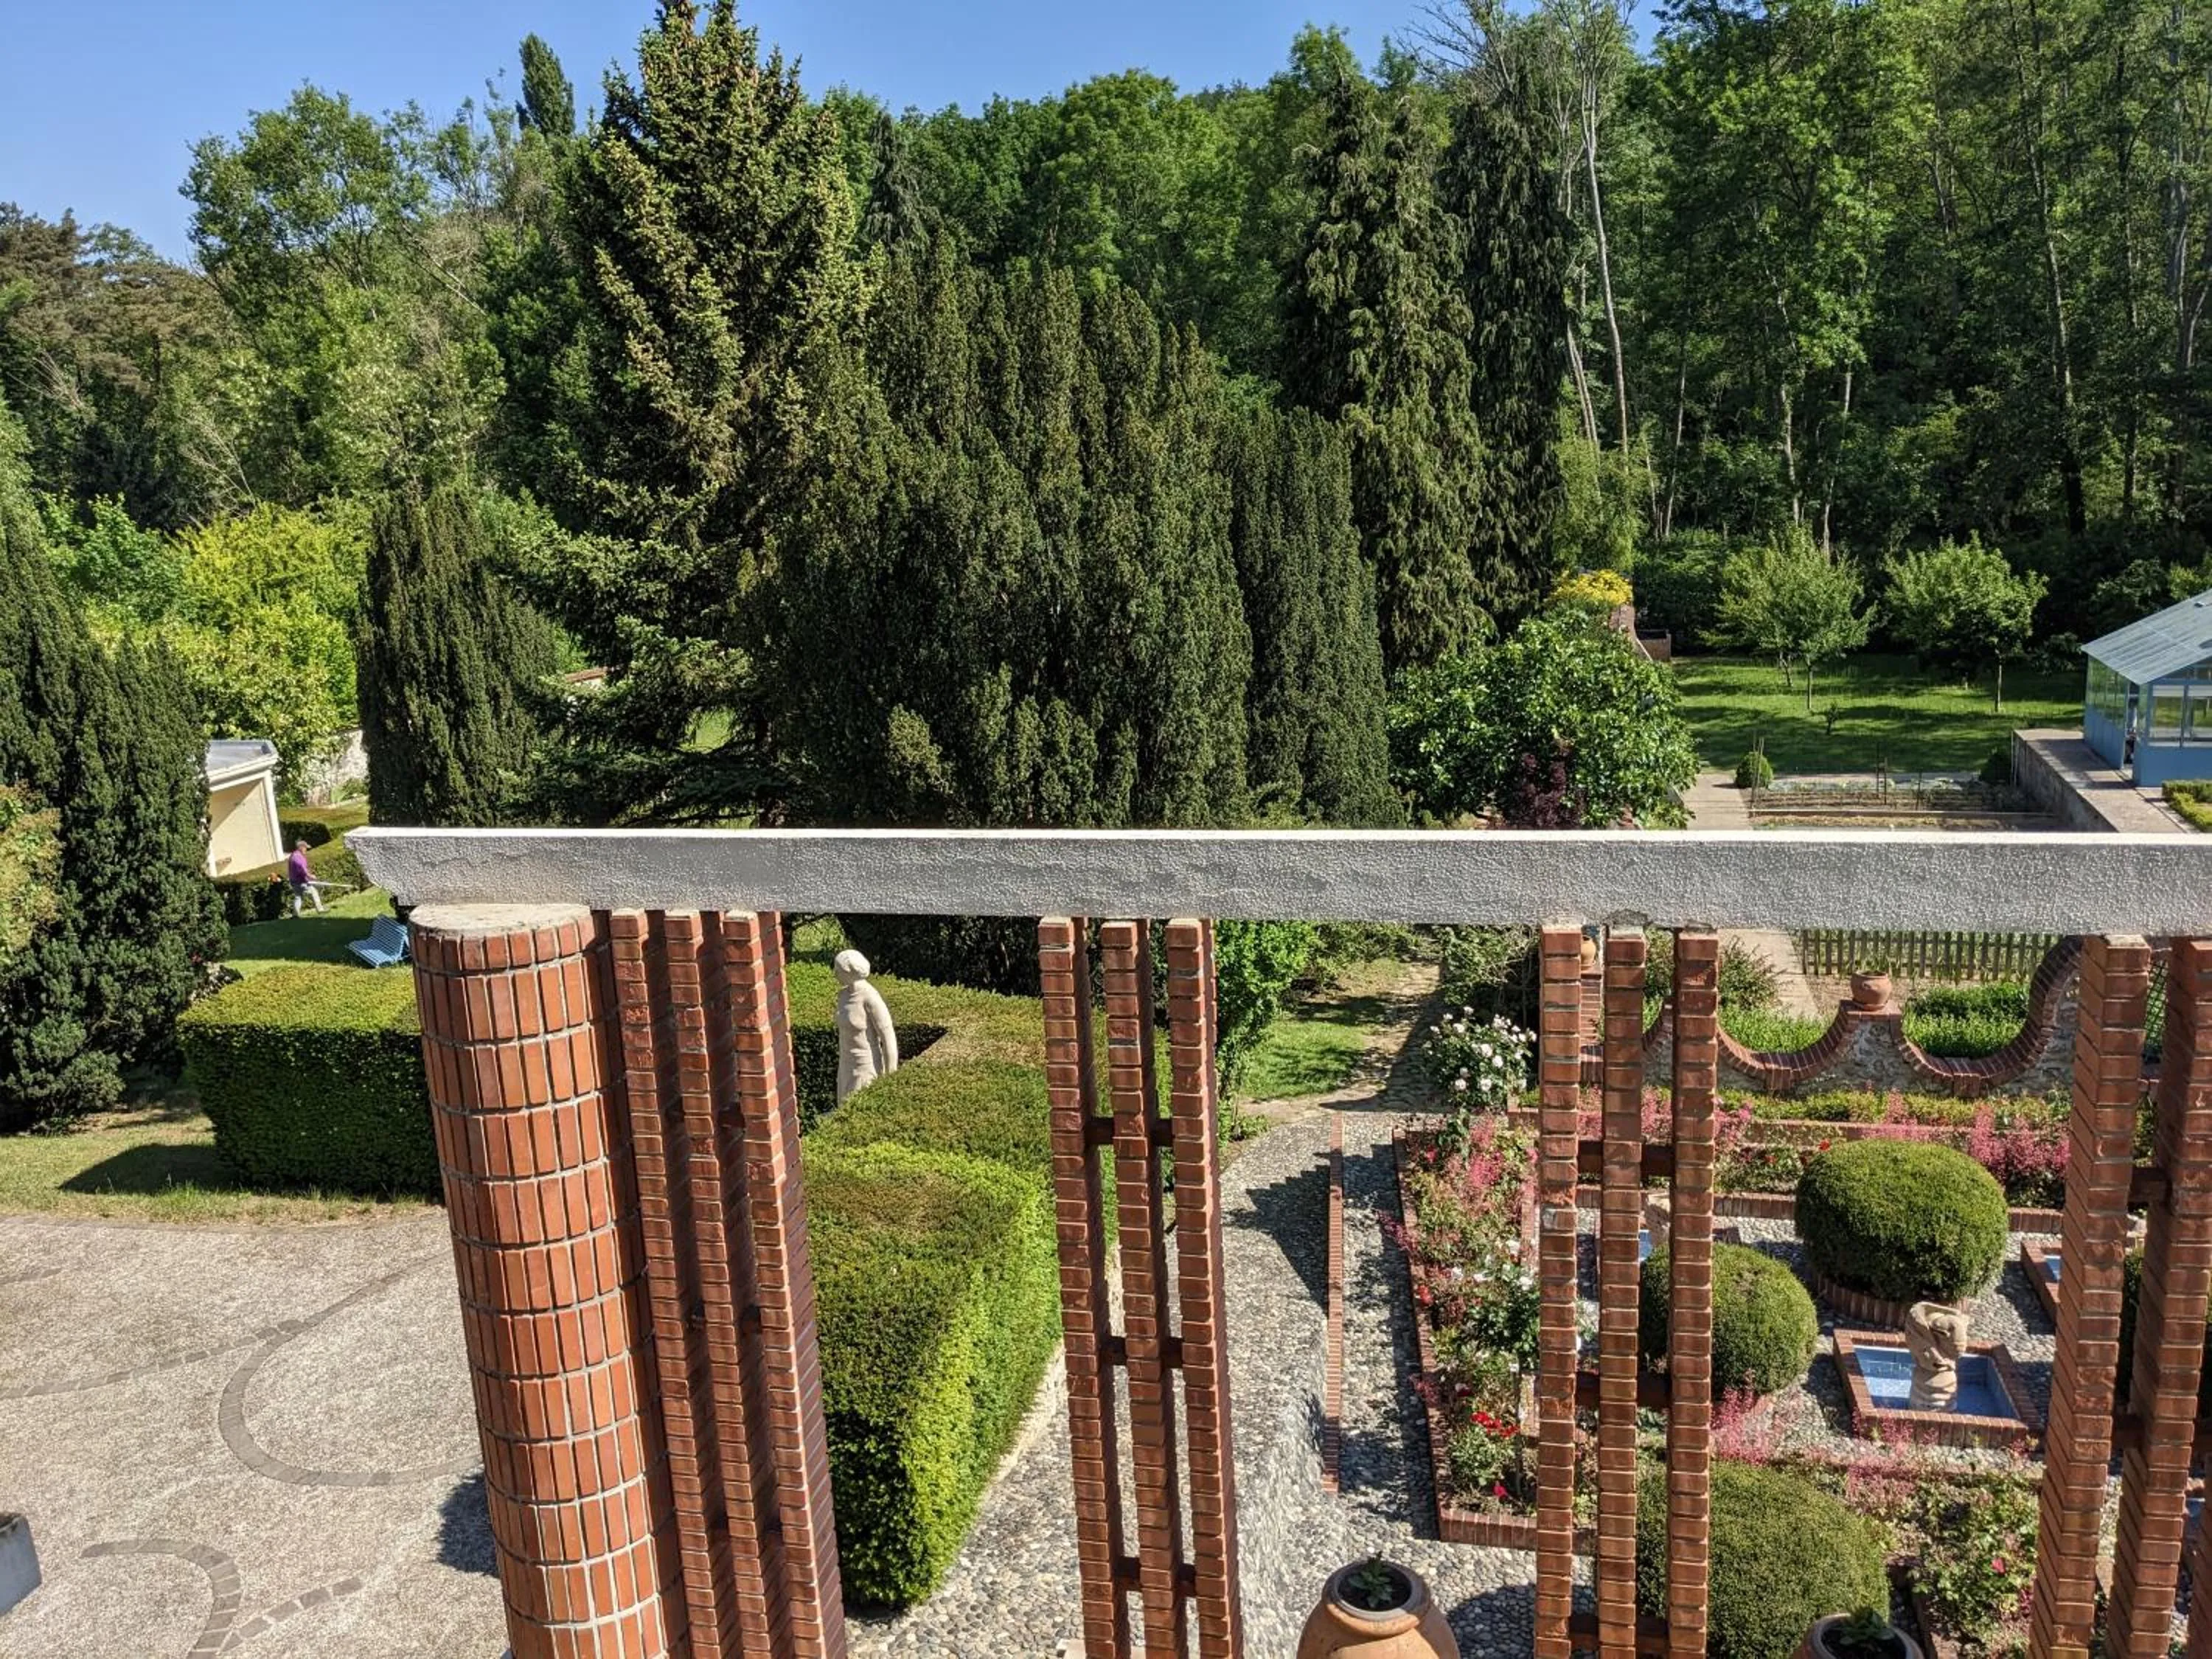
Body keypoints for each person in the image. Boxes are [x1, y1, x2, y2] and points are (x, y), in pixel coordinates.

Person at [286, 838, 327, 917]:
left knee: (298, 897)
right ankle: (320, 910)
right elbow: (303, 869)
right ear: (301, 847)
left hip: (294, 882)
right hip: (301, 882)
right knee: (314, 892)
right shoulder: (298, 857)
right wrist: (311, 876)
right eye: (305, 848)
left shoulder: (293, 855)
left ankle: (295, 915)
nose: (306, 850)